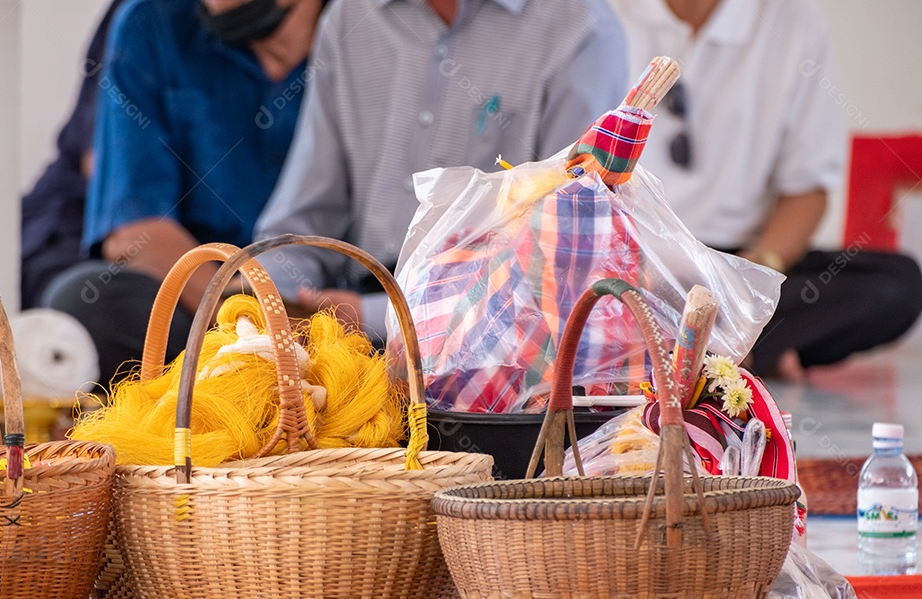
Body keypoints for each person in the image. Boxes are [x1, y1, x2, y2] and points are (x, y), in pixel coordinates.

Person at [253, 0, 630, 340]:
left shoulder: (583, 30)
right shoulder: (351, 15)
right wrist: (264, 303)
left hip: (493, 344)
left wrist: (368, 315)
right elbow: (305, 220)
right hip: (345, 316)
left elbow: (561, 262)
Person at [607, 0, 922, 379]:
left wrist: (745, 285)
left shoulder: (793, 21)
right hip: (634, 261)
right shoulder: (604, 13)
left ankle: (695, 347)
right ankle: (740, 351)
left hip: (741, 262)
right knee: (566, 287)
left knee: (896, 285)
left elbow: (807, 193)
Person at [43, 0, 324, 386]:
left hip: (329, 300)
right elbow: (135, 230)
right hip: (201, 297)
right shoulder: (151, 21)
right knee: (88, 301)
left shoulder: (365, 31)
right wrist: (244, 318)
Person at [20, 0, 127, 310]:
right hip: (71, 229)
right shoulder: (142, 18)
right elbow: (99, 163)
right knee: (81, 302)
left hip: (190, 253)